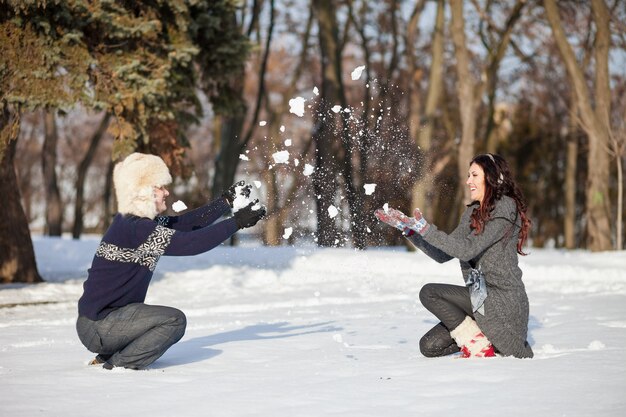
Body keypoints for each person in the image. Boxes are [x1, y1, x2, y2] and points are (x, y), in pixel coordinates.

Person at [76, 152, 266, 370]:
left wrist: (226, 202)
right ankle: (118, 365)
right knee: (174, 321)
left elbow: (185, 224)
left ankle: (109, 357)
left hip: (104, 321)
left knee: (164, 319)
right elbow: (190, 244)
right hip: (100, 325)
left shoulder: (134, 223)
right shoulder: (136, 228)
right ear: (143, 191)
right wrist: (236, 223)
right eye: (160, 187)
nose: (167, 192)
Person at [375, 153, 533, 359]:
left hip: (502, 305)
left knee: (429, 293)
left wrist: (427, 229)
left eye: (474, 175)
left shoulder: (505, 208)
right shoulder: (473, 213)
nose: (468, 181)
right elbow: (443, 254)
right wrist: (410, 230)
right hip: (480, 300)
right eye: (468, 175)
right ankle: (481, 340)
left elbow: (467, 250)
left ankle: (480, 347)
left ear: (492, 177)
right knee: (429, 346)